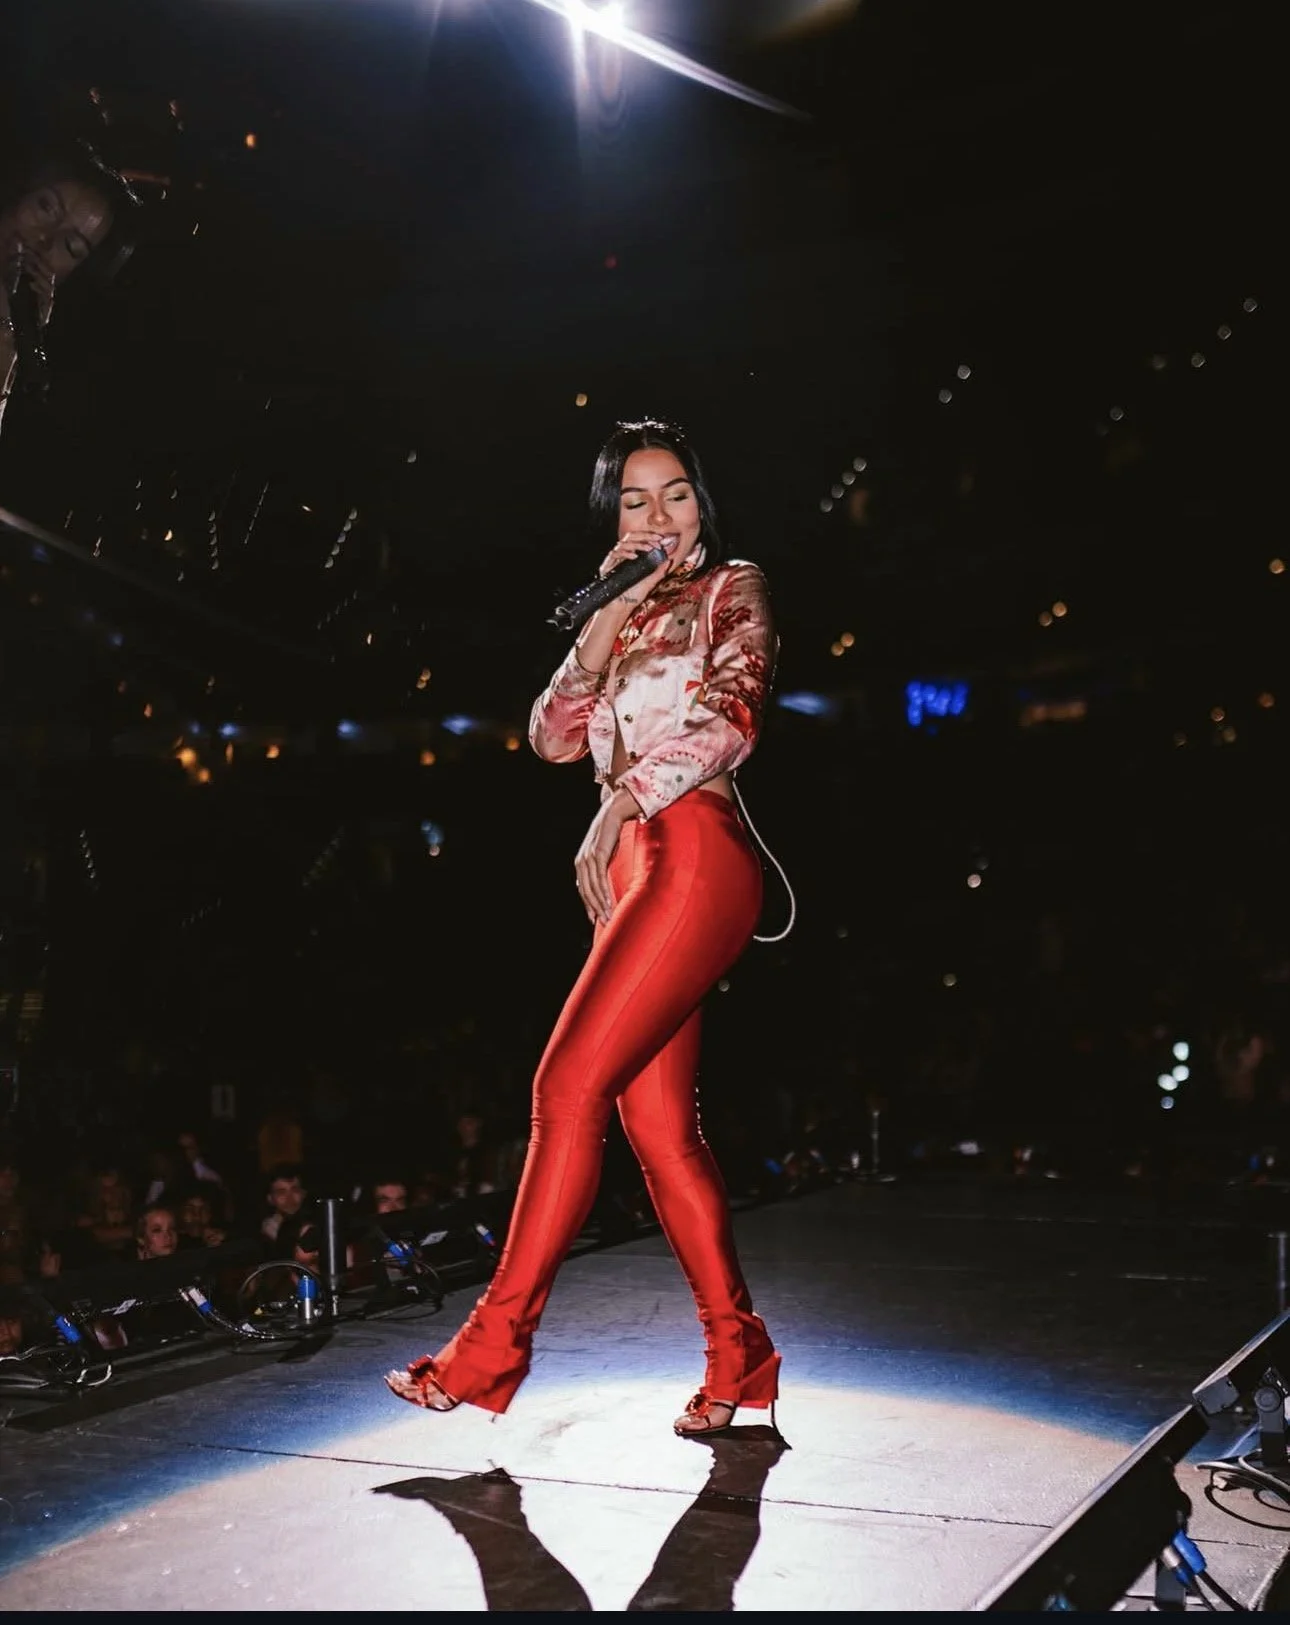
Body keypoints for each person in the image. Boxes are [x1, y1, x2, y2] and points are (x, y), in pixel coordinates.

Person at [387, 417, 780, 1435]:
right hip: (636, 870)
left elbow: (734, 715)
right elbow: (551, 736)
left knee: (564, 1086)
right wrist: (611, 614)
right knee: (657, 1129)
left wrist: (621, 806)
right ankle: (740, 1353)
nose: (660, 515)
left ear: (705, 498)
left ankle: (490, 1345)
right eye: (637, 499)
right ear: (614, 518)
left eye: (677, 492)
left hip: (693, 847)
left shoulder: (732, 586)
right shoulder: (626, 608)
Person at [0, 146, 134, 438]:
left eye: (71, 246)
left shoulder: (45, 369)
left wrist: (11, 337)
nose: (45, 238)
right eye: (45, 207)